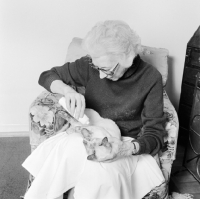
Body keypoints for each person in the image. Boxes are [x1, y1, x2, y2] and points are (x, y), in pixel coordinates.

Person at [22, 20, 166, 199]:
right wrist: (67, 90)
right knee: (69, 153)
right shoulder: (89, 65)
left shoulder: (150, 78)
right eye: (96, 67)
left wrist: (126, 148)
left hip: (123, 141)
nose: (99, 75)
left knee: (100, 176)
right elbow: (47, 76)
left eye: (106, 69)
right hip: (89, 132)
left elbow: (155, 134)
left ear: (126, 59)